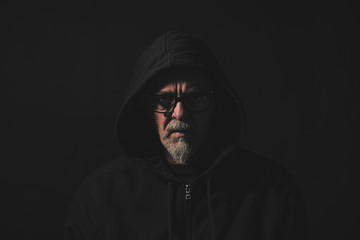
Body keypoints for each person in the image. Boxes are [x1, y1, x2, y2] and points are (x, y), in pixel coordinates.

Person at [64, 31, 308, 240]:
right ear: (145, 108)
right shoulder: (100, 198)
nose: (179, 113)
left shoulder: (274, 192)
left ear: (217, 104)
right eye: (164, 99)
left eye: (195, 97)